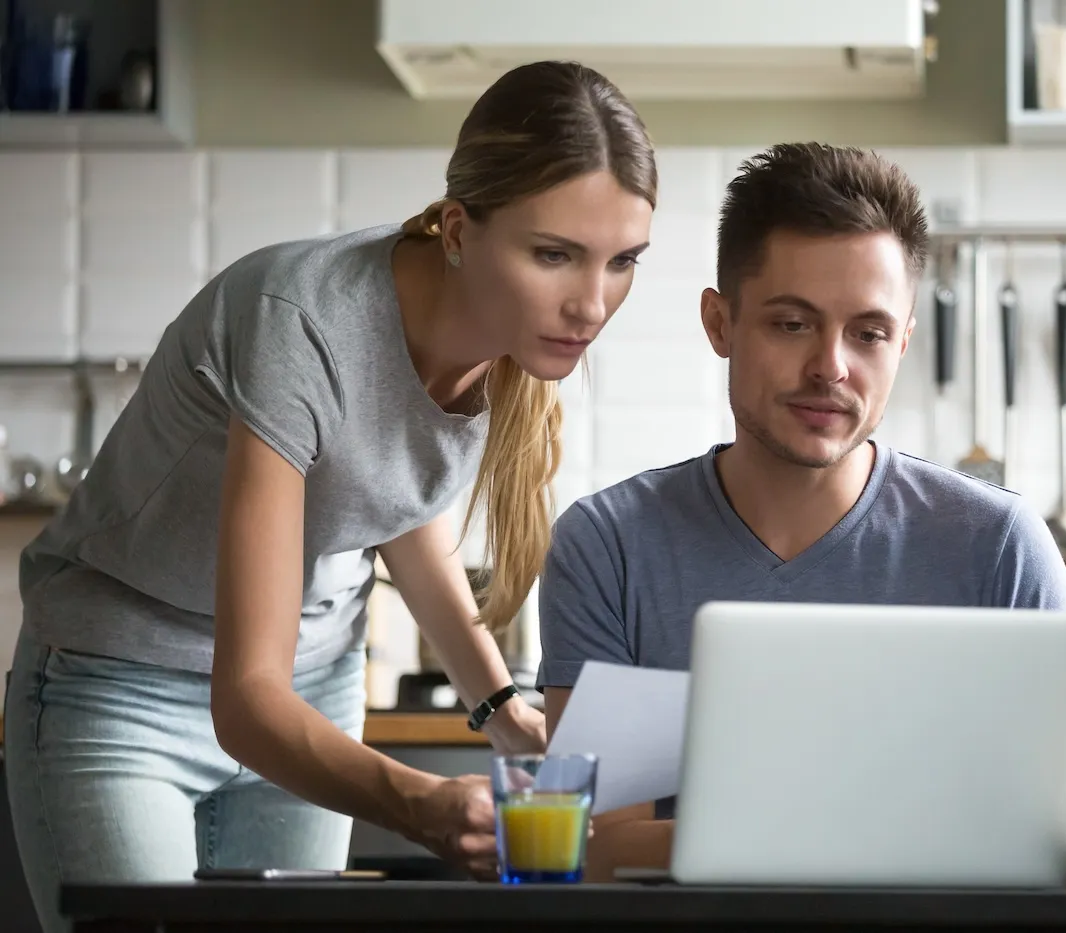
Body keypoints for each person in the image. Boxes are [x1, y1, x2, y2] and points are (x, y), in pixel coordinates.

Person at [5, 60, 656, 931]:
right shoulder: (301, 321)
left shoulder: (510, 336)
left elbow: (392, 502)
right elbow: (246, 700)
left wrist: (502, 709)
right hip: (122, 684)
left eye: (623, 262)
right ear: (460, 231)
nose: (592, 303)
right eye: (555, 254)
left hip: (312, 691)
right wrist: (422, 802)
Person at [536, 142, 1066, 882]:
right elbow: (593, 847)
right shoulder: (609, 545)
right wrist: (874, 834)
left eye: (869, 333)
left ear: (904, 342)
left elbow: (1061, 846)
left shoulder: (998, 547)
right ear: (721, 322)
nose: (831, 366)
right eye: (792, 323)